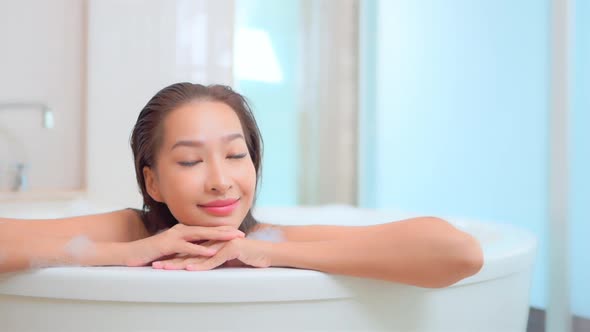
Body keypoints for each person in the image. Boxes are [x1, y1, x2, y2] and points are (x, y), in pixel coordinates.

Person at [0, 83, 483, 288]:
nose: (221, 181)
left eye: (236, 155)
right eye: (190, 160)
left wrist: (268, 254)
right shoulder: (130, 230)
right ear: (154, 181)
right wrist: (129, 253)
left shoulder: (271, 238)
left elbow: (459, 253)